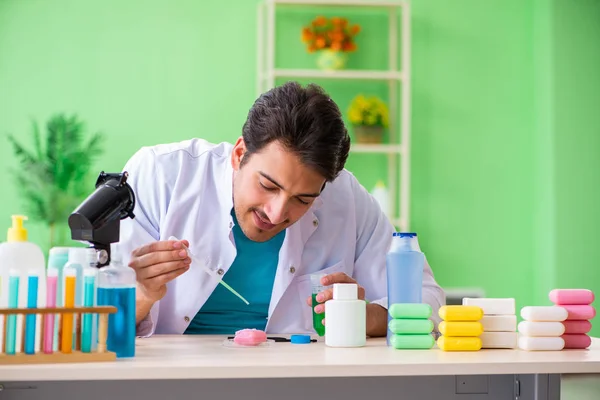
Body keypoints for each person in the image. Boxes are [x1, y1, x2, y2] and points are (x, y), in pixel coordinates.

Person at [114, 81, 445, 337]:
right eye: (268, 186)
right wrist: (144, 293)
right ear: (239, 153)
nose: (275, 213)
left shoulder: (345, 197)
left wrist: (368, 316)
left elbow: (429, 301)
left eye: (303, 199)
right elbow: (95, 323)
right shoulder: (162, 175)